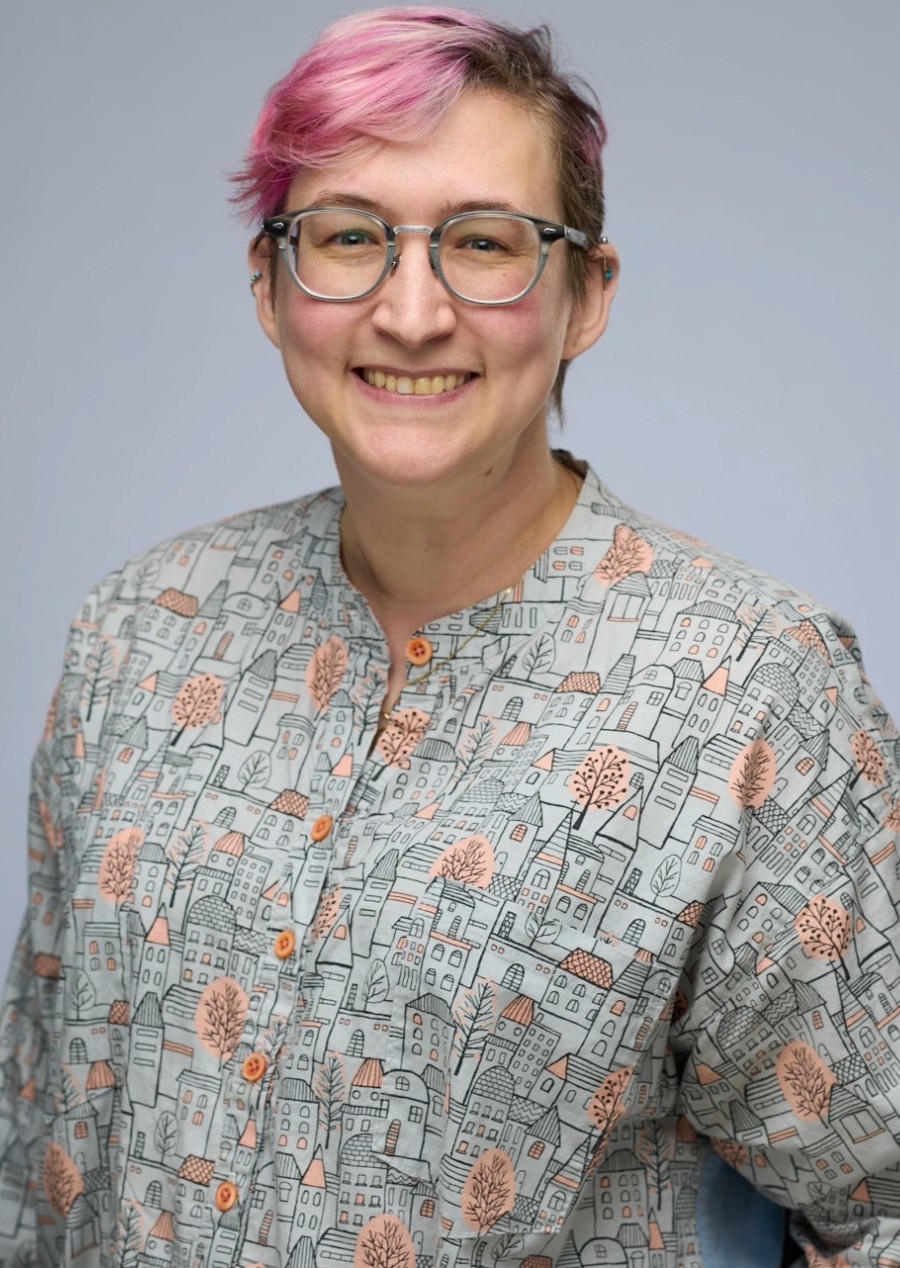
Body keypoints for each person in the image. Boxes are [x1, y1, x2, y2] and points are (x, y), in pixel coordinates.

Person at [1, 6, 898, 1265]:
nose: (411, 311)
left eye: (485, 243)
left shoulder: (751, 693)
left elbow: (884, 1199)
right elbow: (36, 1155)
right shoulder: (139, 637)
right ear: (269, 284)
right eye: (350, 236)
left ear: (585, 294)